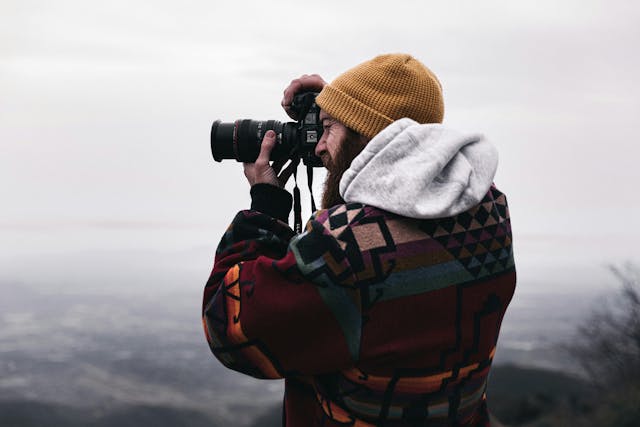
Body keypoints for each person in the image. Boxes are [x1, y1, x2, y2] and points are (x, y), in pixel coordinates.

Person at [202, 53, 516, 426]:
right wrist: (340, 108)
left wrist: (266, 209)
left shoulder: (347, 252)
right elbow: (390, 175)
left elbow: (230, 329)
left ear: (365, 136)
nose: (318, 147)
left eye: (329, 130)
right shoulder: (489, 210)